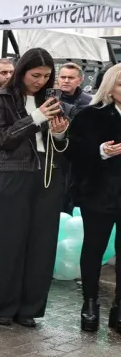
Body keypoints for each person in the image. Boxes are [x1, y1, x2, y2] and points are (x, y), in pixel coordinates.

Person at [0, 48, 69, 328]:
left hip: (49, 175)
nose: (40, 81)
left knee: (42, 245)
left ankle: (29, 308)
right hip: (13, 174)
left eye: (46, 76)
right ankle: (3, 307)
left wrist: (59, 134)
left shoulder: (54, 102)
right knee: (9, 243)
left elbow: (64, 148)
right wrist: (36, 118)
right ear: (22, 72)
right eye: (35, 75)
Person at [66, 63, 121, 331]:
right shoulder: (90, 114)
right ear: (109, 87)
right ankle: (90, 302)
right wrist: (100, 151)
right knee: (93, 248)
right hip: (98, 192)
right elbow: (72, 150)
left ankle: (119, 306)